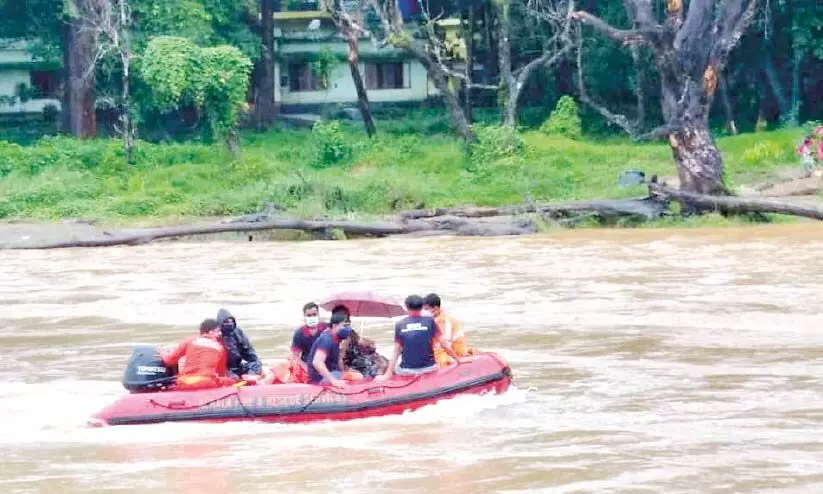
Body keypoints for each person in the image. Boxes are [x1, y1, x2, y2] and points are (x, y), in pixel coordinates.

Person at [375, 295, 458, 383]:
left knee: (390, 366)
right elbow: (444, 344)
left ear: (406, 307)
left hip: (406, 370)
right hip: (429, 368)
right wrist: (458, 360)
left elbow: (396, 350)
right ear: (422, 307)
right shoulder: (430, 321)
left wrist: (387, 374)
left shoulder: (400, 324)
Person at [162, 318, 239, 390]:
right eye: (217, 331)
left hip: (183, 382)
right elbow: (221, 372)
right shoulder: (220, 347)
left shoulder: (189, 340)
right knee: (232, 380)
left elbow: (170, 361)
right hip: (206, 382)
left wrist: (163, 354)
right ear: (210, 332)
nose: (219, 334)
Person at [423, 293, 475, 367]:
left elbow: (444, 345)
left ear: (435, 308)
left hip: (451, 351)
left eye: (426, 309)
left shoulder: (443, 322)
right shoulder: (442, 318)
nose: (424, 312)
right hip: (452, 349)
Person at [307, 312, 357, 387]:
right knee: (358, 376)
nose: (348, 329)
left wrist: (344, 371)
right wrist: (333, 381)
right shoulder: (326, 339)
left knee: (354, 373)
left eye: (349, 326)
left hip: (330, 372)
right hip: (319, 377)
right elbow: (317, 362)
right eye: (345, 326)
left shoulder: (337, 338)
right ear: (334, 326)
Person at [216, 309, 263, 379]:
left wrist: (253, 370)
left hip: (238, 367)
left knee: (257, 364)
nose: (229, 324)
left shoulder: (237, 332)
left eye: (231, 322)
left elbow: (249, 352)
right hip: (224, 369)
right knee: (233, 377)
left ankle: (250, 378)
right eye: (226, 322)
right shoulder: (215, 335)